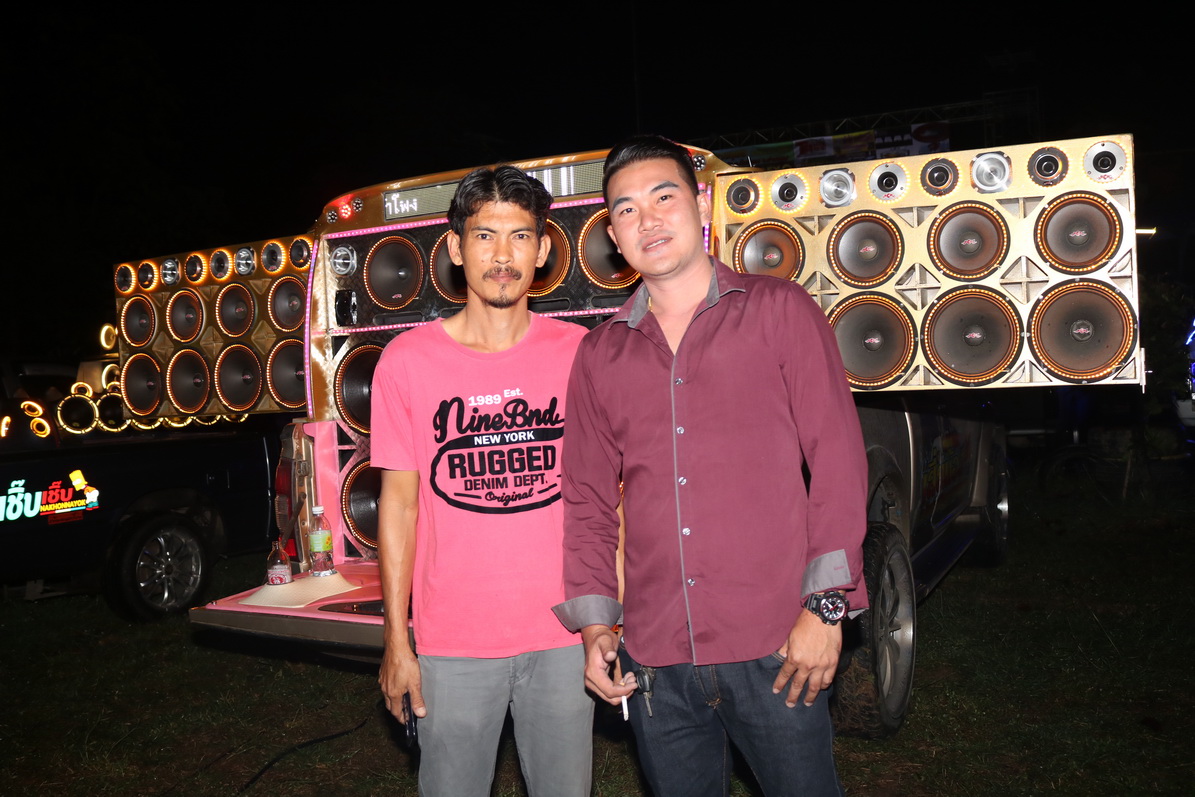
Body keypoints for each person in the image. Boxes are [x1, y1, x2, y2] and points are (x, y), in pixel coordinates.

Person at [553, 135, 869, 796]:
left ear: (699, 206)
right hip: (656, 661)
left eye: (663, 197)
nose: (648, 220)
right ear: (612, 233)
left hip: (777, 645)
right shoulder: (599, 354)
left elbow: (837, 462)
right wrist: (595, 626)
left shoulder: (779, 310)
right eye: (627, 209)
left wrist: (826, 608)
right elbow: (586, 499)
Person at [372, 165, 592, 797]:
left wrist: (610, 616)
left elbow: (609, 496)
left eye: (520, 236)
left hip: (566, 636)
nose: (502, 256)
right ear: (455, 248)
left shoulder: (582, 353)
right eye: (484, 236)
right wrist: (397, 640)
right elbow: (399, 507)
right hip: (452, 644)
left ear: (543, 250)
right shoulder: (406, 362)